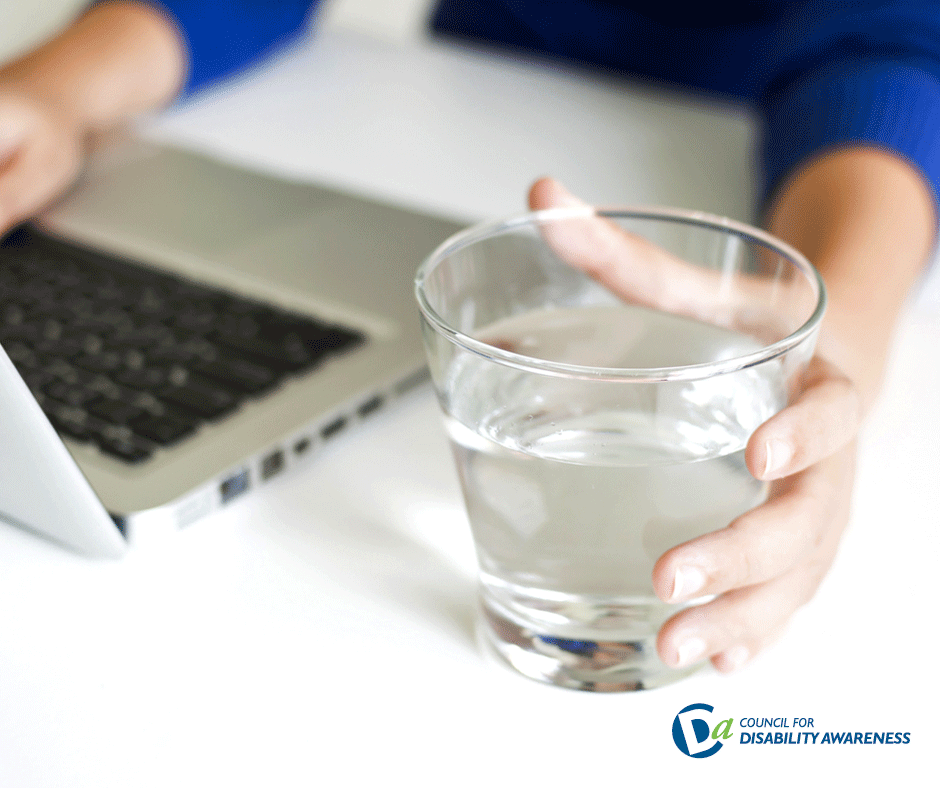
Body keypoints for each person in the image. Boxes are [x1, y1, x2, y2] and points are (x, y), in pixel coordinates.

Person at [0, 0, 936, 674]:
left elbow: (893, 41)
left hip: (791, 168)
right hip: (475, 101)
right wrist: (47, 98)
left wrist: (838, 324)